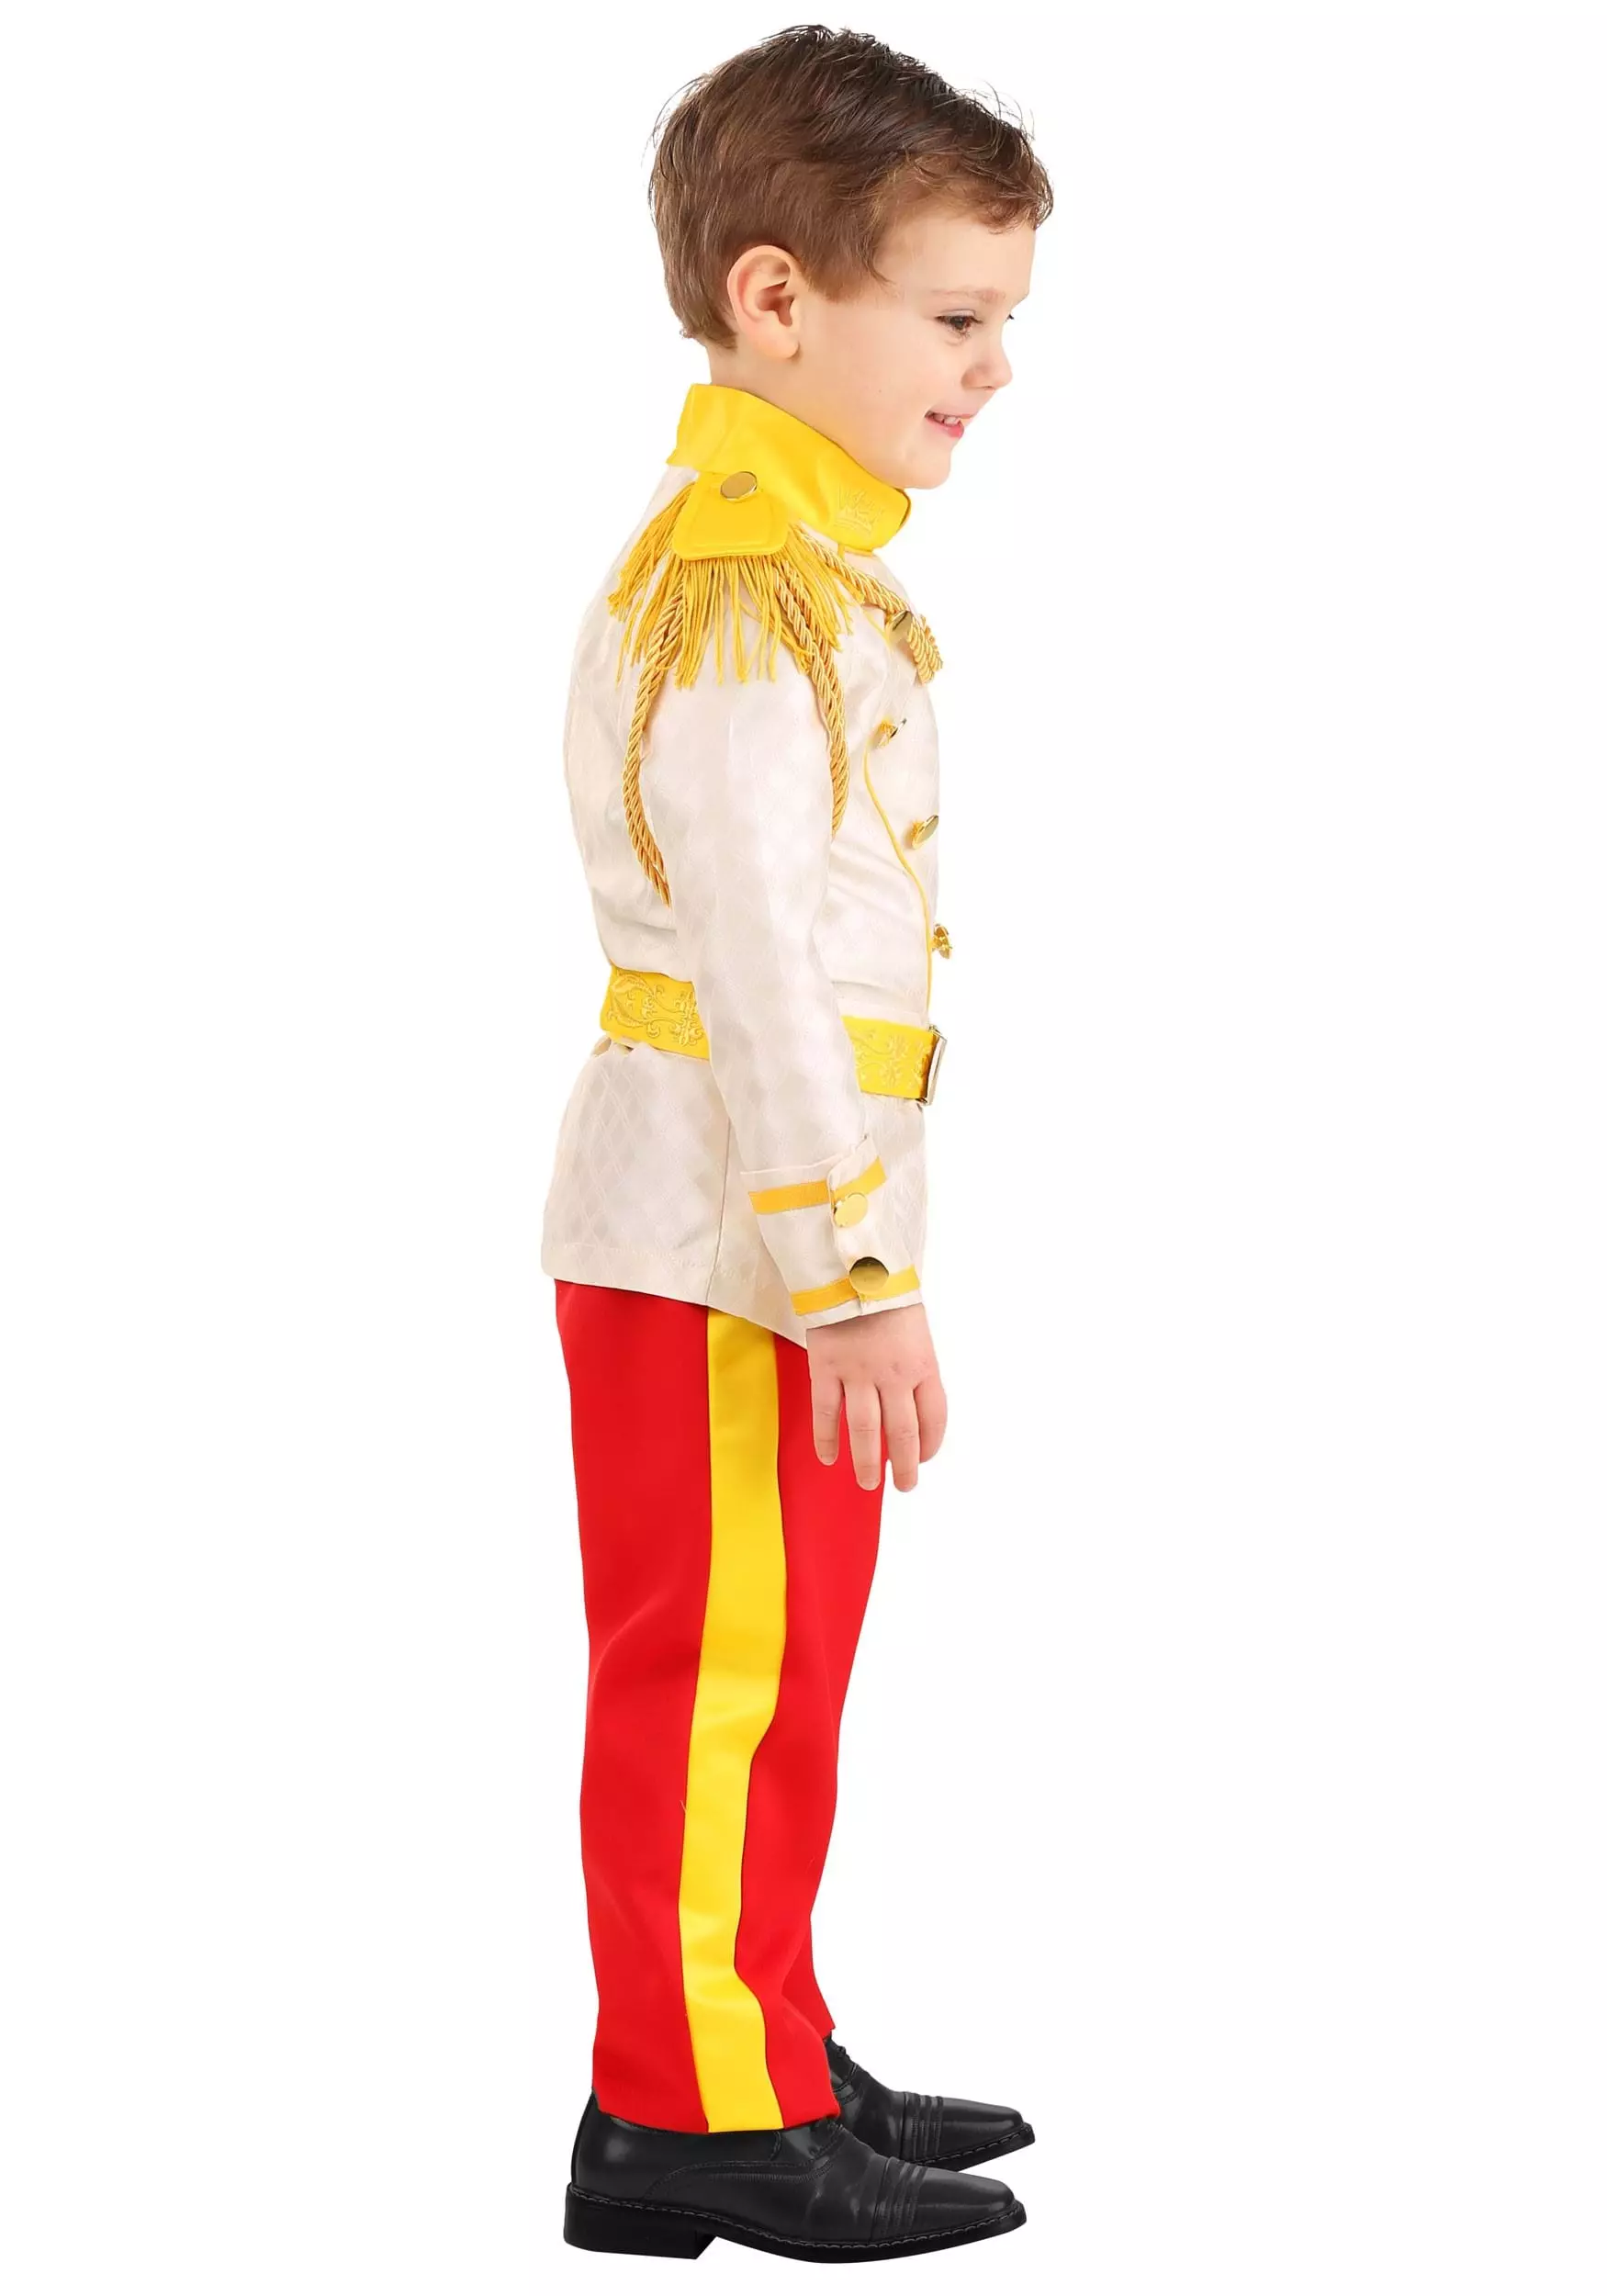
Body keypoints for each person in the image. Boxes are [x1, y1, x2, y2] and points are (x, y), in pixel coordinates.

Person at [540, 26, 1051, 2265]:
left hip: (756, 1233)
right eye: (953, 315)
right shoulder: (744, 579)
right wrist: (851, 1274)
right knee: (714, 1679)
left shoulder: (804, 568)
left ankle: (756, 2035)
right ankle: (684, 2111)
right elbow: (755, 962)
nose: (993, 365)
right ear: (776, 300)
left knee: (777, 1683)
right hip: (725, 1243)